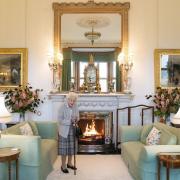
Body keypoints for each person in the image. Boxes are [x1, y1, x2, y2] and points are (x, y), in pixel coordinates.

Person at [58, 92, 79, 173]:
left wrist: (76, 119)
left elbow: (78, 116)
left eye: (74, 101)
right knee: (64, 149)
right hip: (64, 131)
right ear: (67, 99)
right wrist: (69, 121)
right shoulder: (62, 107)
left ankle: (69, 163)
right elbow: (60, 120)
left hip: (73, 129)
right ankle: (63, 165)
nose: (72, 102)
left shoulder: (75, 106)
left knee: (71, 148)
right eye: (71, 100)